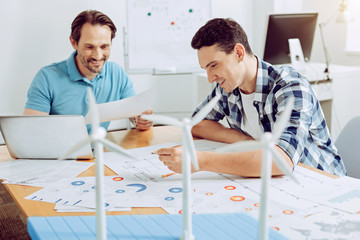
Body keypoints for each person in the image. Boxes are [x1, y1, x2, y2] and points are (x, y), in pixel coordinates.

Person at [157, 18, 346, 177]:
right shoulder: (227, 87)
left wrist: (200, 160)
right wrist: (243, 141)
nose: (210, 78)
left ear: (238, 53)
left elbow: (280, 162)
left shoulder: (289, 85)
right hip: (276, 181)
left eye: (214, 65)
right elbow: (197, 124)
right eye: (206, 68)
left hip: (321, 181)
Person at [24, 10, 153, 131]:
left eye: (104, 47)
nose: (98, 55)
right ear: (74, 42)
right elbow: (32, 130)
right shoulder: (47, 78)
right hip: (61, 153)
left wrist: (141, 120)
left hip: (99, 151)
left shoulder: (117, 73)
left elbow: (134, 114)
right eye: (90, 47)